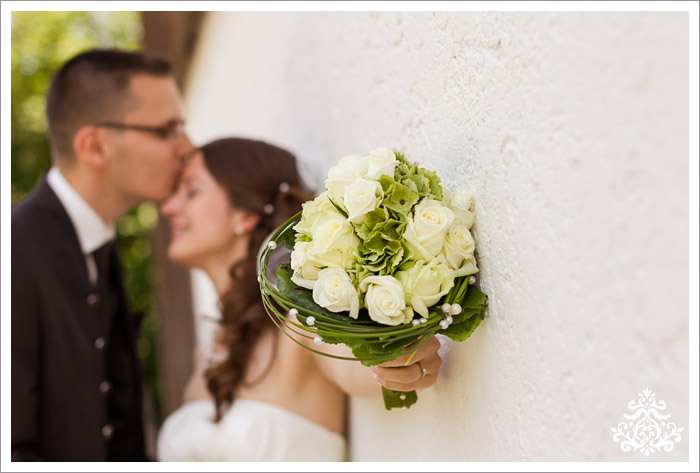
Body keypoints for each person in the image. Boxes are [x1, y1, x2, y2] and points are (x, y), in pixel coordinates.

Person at [156, 138, 443, 462]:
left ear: (245, 216)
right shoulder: (207, 347)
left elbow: (359, 363)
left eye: (191, 192)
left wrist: (399, 358)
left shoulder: (300, 323)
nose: (168, 207)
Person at [11, 49, 195, 461]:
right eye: (166, 130)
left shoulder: (98, 244)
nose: (187, 147)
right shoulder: (13, 253)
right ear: (94, 146)